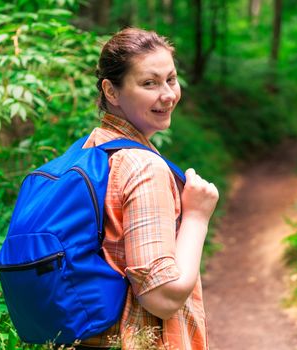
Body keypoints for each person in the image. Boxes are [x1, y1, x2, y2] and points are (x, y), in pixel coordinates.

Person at [78, 28, 219, 349]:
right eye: (149, 83)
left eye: (171, 79)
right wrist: (198, 216)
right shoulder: (143, 167)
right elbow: (162, 296)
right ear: (111, 92)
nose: (168, 94)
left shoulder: (93, 149)